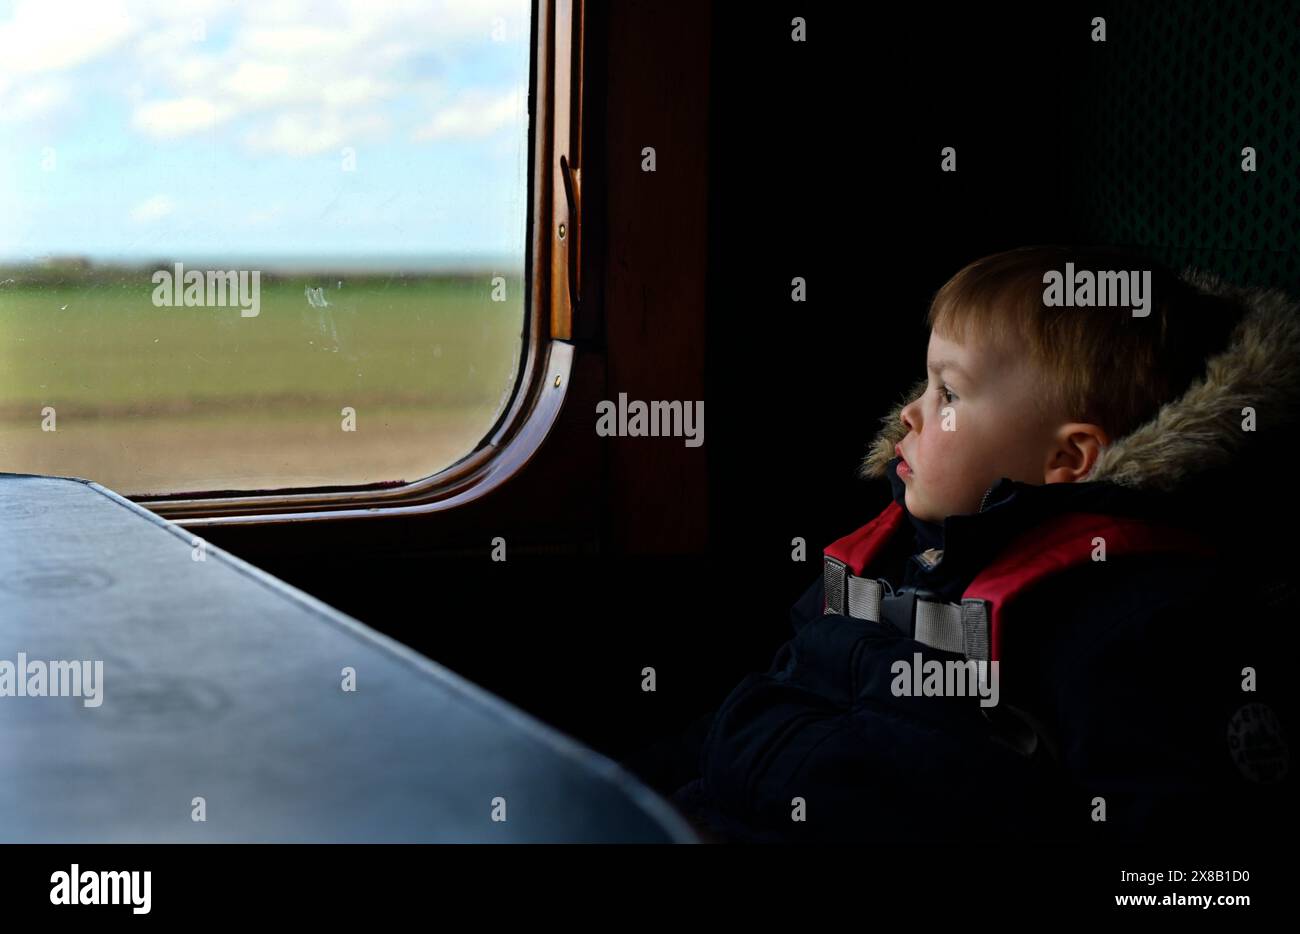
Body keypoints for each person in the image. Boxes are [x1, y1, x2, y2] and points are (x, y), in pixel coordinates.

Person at [650, 246, 1299, 843]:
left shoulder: (1131, 619)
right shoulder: (880, 554)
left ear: (1067, 456)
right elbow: (763, 692)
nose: (910, 412)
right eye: (925, 382)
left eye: (949, 392)